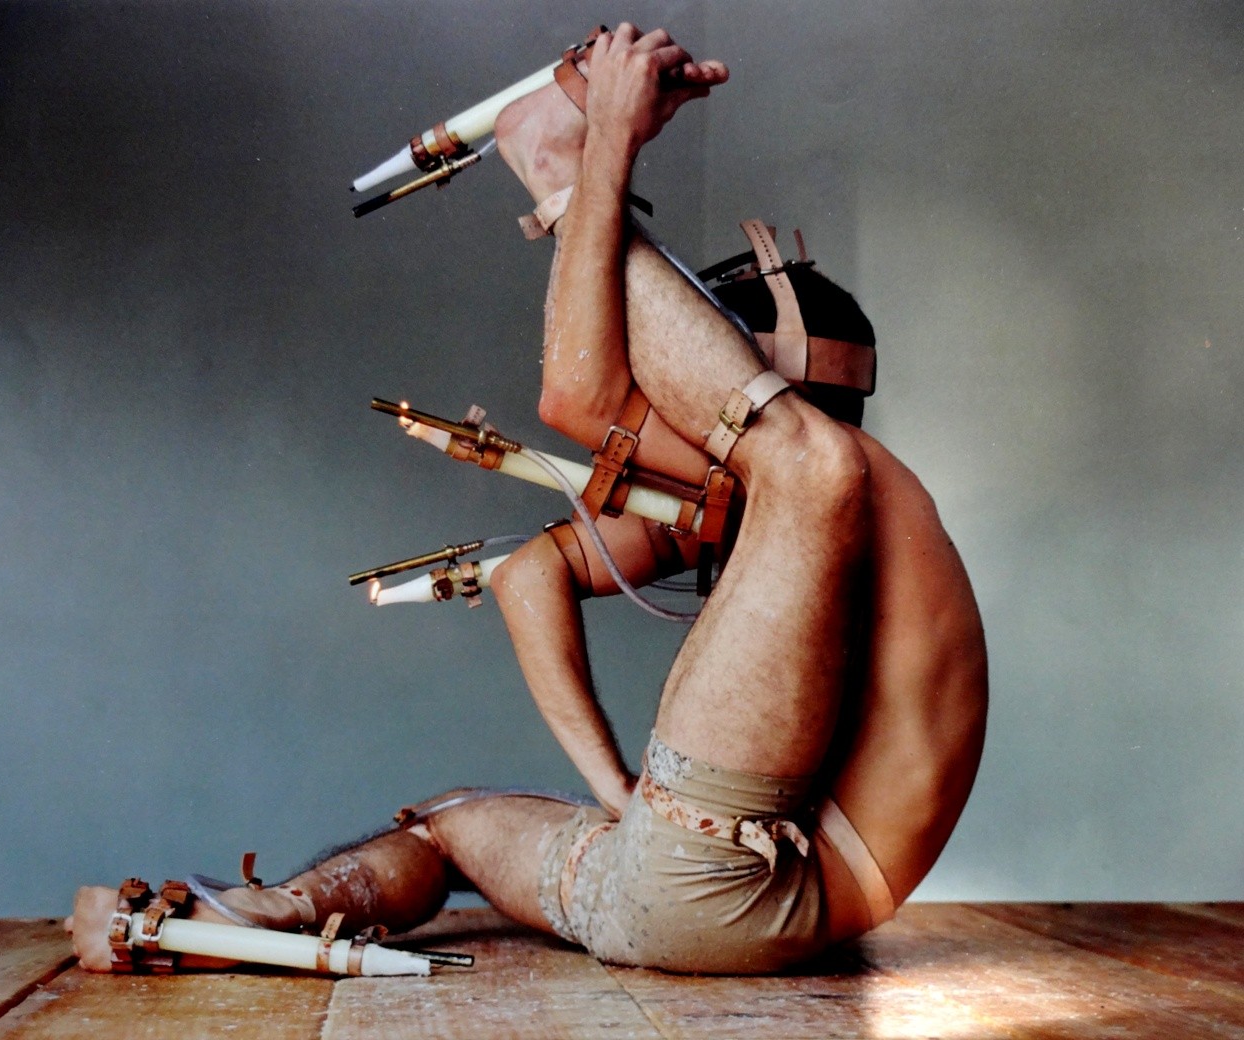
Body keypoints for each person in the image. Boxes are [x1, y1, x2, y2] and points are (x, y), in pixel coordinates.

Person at [68, 24, 987, 975]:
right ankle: (263, 913)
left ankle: (551, 160)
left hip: (734, 880)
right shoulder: (769, 507)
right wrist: (615, 791)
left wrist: (581, 160)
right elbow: (532, 562)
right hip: (663, 879)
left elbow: (583, 400)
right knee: (447, 825)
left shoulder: (833, 476)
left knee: (810, 465)